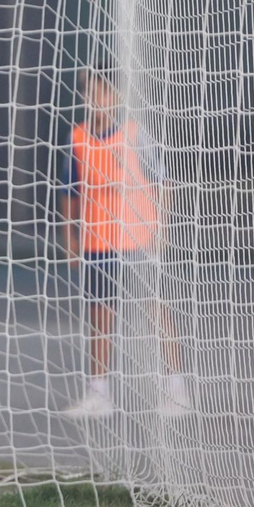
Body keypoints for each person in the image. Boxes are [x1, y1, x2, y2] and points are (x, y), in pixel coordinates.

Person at [61, 68, 190, 418]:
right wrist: (70, 240)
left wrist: (161, 229)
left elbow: (164, 184)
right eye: (90, 94)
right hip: (98, 243)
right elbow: (69, 196)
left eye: (103, 93)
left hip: (138, 239)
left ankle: (175, 388)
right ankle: (99, 393)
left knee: (155, 311)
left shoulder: (135, 135)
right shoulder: (77, 140)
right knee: (100, 317)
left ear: (117, 98)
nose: (96, 101)